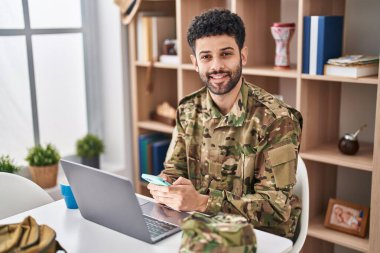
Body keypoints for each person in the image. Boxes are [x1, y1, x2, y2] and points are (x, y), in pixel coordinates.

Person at [147, 8, 303, 239]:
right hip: (199, 226)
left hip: (258, 236)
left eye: (226, 54)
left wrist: (203, 202)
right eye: (206, 56)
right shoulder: (188, 109)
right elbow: (175, 169)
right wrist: (165, 186)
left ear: (243, 55)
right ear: (195, 63)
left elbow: (276, 208)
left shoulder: (278, 119)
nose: (216, 66)